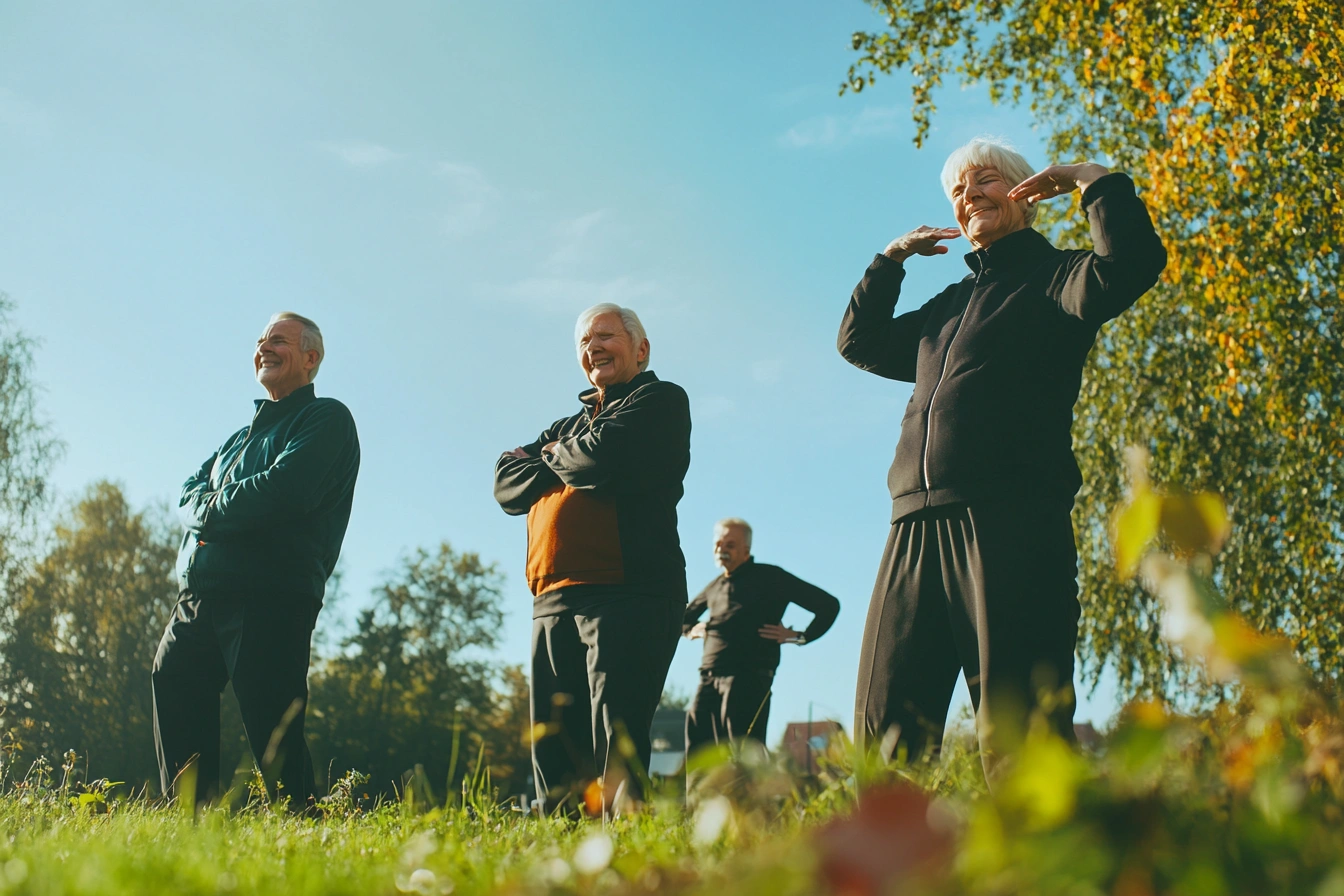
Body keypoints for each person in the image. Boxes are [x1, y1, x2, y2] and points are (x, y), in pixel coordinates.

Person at [839, 137, 1167, 773]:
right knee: (888, 736)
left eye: (984, 181)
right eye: (959, 192)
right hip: (912, 527)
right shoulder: (948, 307)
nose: (969, 198)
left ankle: (1050, 868)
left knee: (1021, 732)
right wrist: (890, 259)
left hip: (1009, 521)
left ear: (1025, 193)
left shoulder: (1057, 278)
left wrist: (1090, 178)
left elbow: (1129, 264)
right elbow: (861, 342)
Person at [153, 312, 360, 808]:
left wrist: (209, 509)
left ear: (310, 359)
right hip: (200, 594)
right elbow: (186, 494)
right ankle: (192, 822)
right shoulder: (236, 439)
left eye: (280, 341)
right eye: (262, 340)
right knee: (172, 678)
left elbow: (283, 491)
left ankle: (300, 821)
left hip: (271, 594)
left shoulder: (326, 418)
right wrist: (209, 508)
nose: (265, 346)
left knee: (272, 725)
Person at [493, 303, 691, 815]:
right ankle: (560, 857)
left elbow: (601, 459)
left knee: (615, 738)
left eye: (605, 336)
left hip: (628, 590)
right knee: (555, 742)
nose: (592, 347)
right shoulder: (568, 423)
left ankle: (627, 854)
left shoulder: (660, 400)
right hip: (552, 596)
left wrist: (552, 456)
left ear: (641, 349)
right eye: (584, 341)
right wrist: (567, 452)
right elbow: (505, 486)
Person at [682, 518, 840, 760]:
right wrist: (691, 629)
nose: (721, 549)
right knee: (699, 748)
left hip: (748, 677)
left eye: (730, 544)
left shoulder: (771, 577)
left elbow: (828, 605)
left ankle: (748, 799)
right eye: (718, 544)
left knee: (743, 751)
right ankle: (697, 799)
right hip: (709, 677)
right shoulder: (715, 586)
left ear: (746, 549)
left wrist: (800, 637)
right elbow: (682, 618)